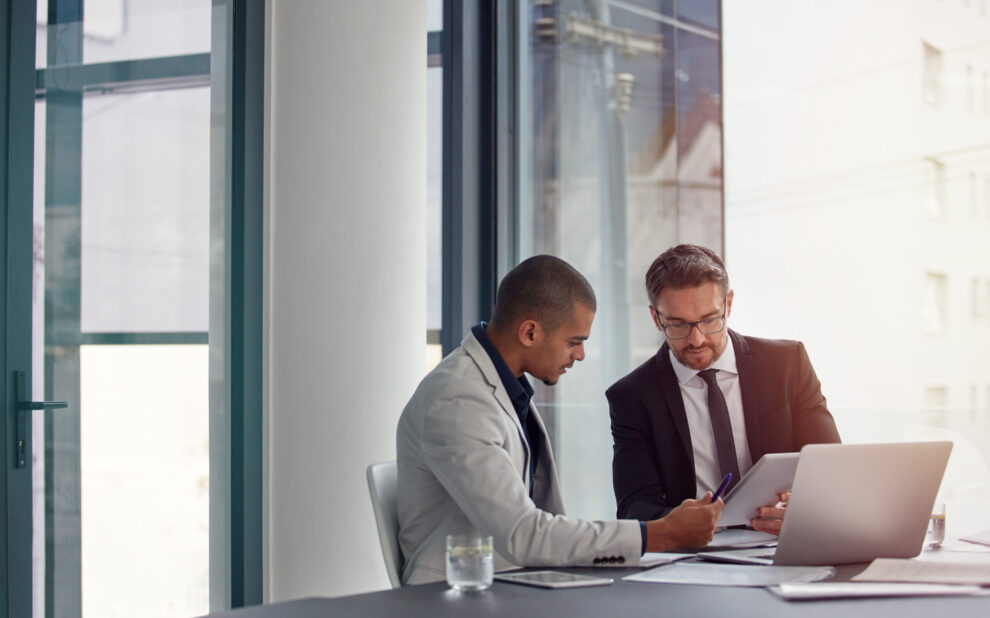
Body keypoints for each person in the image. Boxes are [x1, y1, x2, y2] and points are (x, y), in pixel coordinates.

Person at [396, 255, 723, 585]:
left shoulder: (503, 388)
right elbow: (523, 534)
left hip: (513, 583)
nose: (580, 355)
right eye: (574, 342)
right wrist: (660, 534)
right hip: (458, 594)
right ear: (530, 332)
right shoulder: (458, 400)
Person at [607, 244, 840, 534]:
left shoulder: (787, 364)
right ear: (656, 318)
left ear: (728, 304)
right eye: (677, 325)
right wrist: (677, 521)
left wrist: (804, 508)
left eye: (709, 320)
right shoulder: (632, 397)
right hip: (695, 550)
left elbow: (833, 469)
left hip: (784, 541)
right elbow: (634, 506)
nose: (696, 340)